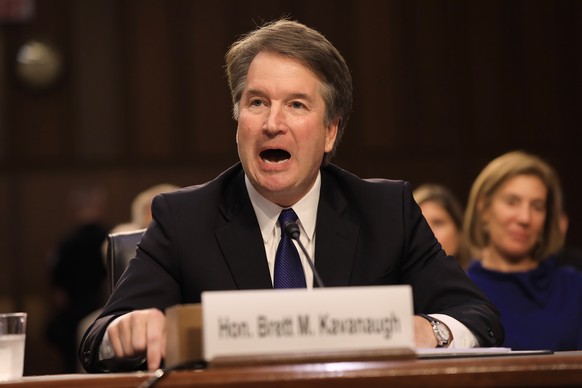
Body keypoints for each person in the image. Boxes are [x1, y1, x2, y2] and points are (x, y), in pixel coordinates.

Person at [79, 19, 503, 373]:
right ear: (238, 118)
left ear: (330, 131)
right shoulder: (184, 219)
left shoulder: (385, 212)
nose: (272, 124)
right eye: (257, 102)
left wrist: (433, 331)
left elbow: (481, 320)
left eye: (297, 105)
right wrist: (128, 332)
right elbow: (97, 340)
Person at [464, 150, 582, 351]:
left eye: (537, 206)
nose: (525, 218)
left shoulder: (574, 288)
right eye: (512, 202)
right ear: (484, 208)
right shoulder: (462, 293)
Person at [45, 184, 109, 373]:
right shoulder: (112, 238)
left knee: (72, 369)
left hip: (73, 317)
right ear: (99, 207)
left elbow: (59, 293)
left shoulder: (65, 244)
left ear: (74, 210)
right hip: (105, 314)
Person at [413, 183, 469, 268]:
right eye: (418, 224)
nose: (427, 231)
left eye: (438, 222)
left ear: (459, 233)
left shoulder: (478, 279)